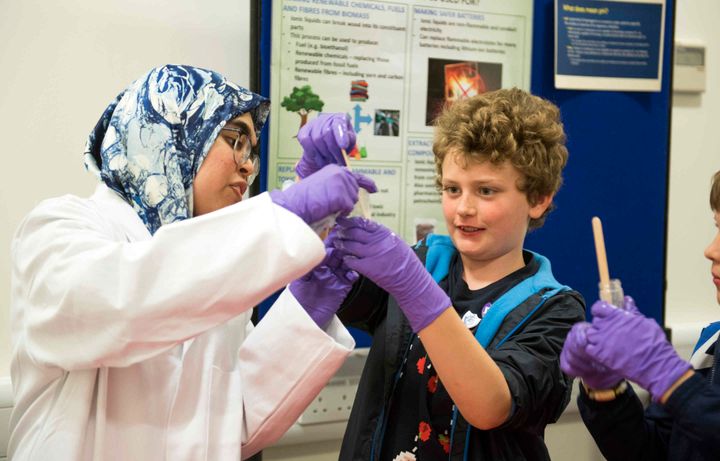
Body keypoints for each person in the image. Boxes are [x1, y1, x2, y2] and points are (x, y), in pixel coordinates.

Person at [8, 64, 376, 460]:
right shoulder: (59, 228)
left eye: (252, 149)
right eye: (235, 138)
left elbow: (236, 421)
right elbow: (120, 303)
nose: (249, 165)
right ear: (170, 135)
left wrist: (310, 302)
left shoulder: (214, 271)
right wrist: (283, 213)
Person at [297, 88, 586, 460]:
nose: (463, 208)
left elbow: (489, 407)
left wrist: (415, 289)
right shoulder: (422, 261)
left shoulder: (556, 310)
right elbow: (330, 281)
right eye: (452, 189)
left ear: (538, 198)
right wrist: (316, 198)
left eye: (486, 190)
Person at [560, 171, 720, 460]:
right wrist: (605, 390)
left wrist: (671, 379)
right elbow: (655, 450)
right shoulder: (713, 344)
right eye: (717, 227)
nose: (711, 251)